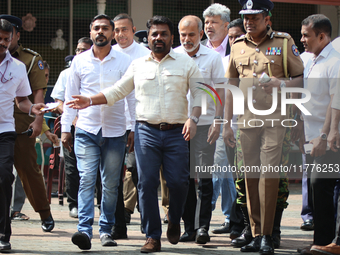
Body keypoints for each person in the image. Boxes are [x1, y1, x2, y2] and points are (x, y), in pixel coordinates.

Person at [65, 15, 205, 253]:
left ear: (172, 38)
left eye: (163, 34)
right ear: (148, 38)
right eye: (154, 34)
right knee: (146, 183)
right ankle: (152, 236)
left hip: (176, 133)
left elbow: (201, 95)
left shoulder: (186, 64)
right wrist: (90, 100)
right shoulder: (138, 64)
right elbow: (118, 90)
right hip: (146, 132)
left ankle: (174, 218)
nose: (158, 38)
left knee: (179, 183)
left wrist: (193, 118)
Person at [223, 0, 304, 254]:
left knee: (268, 177)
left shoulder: (283, 42)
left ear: (267, 18)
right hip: (246, 121)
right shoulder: (236, 46)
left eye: (254, 17)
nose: (248, 22)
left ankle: (267, 235)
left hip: (275, 121)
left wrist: (280, 85)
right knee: (250, 177)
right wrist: (226, 124)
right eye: (245, 17)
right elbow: (231, 87)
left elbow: (301, 79)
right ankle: (256, 234)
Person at [61, 14, 134, 250]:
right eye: (96, 28)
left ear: (113, 33)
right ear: (91, 32)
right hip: (86, 130)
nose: (100, 32)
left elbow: (131, 97)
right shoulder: (79, 61)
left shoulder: (124, 61)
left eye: (105, 28)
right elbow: (70, 97)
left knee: (111, 184)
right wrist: (65, 129)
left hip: (115, 131)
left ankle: (105, 230)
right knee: (86, 180)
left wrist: (131, 127)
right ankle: (84, 230)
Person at [0, 14, 55, 232]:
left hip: (22, 123)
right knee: (4, 176)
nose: (4, 41)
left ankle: (44, 212)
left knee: (28, 170)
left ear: (16, 35)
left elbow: (37, 95)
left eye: (8, 35)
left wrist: (38, 121)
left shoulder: (28, 60)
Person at [173, 15, 225, 244]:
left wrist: (218, 121)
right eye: (183, 35)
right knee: (183, 179)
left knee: (204, 178)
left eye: (191, 34)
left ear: (201, 34)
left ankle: (203, 226)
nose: (187, 39)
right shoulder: (172, 56)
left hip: (205, 126)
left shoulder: (213, 58)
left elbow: (222, 92)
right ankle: (189, 227)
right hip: (177, 127)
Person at [296, 14, 340, 255]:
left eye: (306, 35)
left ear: (322, 36)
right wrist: (299, 125)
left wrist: (326, 135)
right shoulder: (310, 59)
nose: (302, 39)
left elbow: (336, 100)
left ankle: (329, 242)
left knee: (321, 185)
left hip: (329, 139)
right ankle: (321, 242)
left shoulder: (334, 61)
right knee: (318, 191)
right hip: (311, 136)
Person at [111, 13, 150, 239]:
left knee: (141, 175)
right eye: (116, 30)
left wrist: (136, 126)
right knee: (114, 177)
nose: (120, 34)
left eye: (124, 29)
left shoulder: (145, 54)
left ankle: (147, 223)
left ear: (133, 30)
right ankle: (119, 226)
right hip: (115, 124)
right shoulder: (110, 54)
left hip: (140, 123)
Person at [51, 37, 92, 218]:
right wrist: (74, 119)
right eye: (77, 50)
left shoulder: (96, 71)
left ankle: (94, 204)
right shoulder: (66, 74)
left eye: (84, 50)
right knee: (71, 166)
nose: (79, 53)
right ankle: (73, 204)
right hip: (71, 127)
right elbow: (59, 101)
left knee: (94, 167)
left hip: (93, 126)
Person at [310, 74, 340, 255]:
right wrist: (331, 130)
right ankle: (323, 241)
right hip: (333, 134)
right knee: (319, 181)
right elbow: (336, 97)